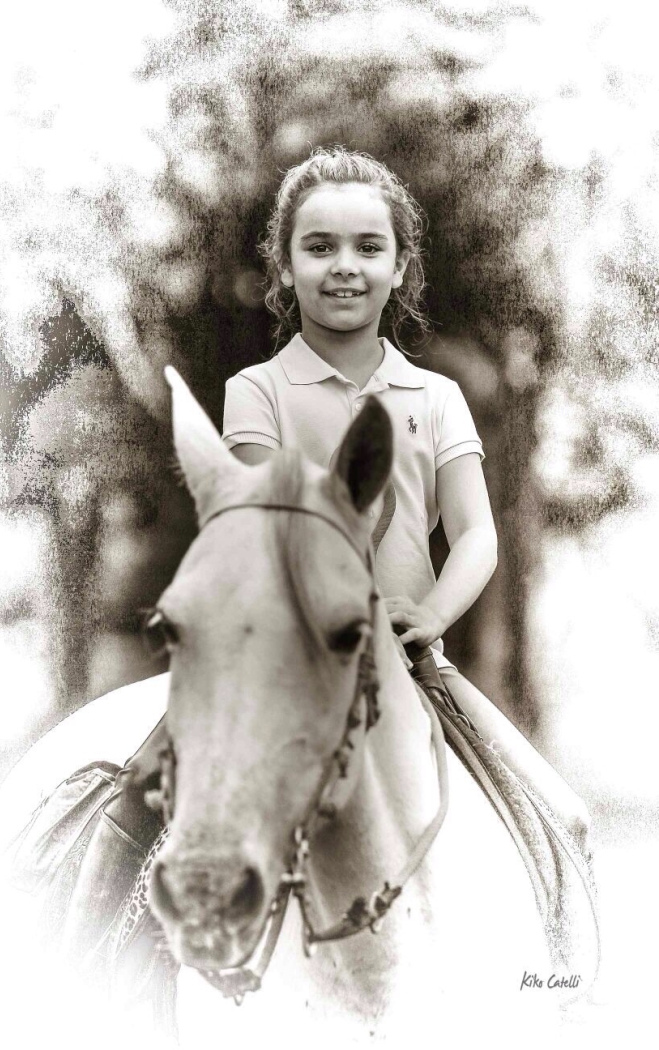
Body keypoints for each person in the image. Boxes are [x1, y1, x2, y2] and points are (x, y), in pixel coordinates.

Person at [221, 146, 588, 843]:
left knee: (562, 820)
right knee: (157, 808)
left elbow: (477, 534)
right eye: (319, 246)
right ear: (285, 264)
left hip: (417, 671)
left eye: (368, 247)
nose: (345, 266)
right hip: (287, 669)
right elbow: (263, 528)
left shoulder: (437, 397)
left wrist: (431, 613)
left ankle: (553, 955)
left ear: (398, 267)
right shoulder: (257, 393)